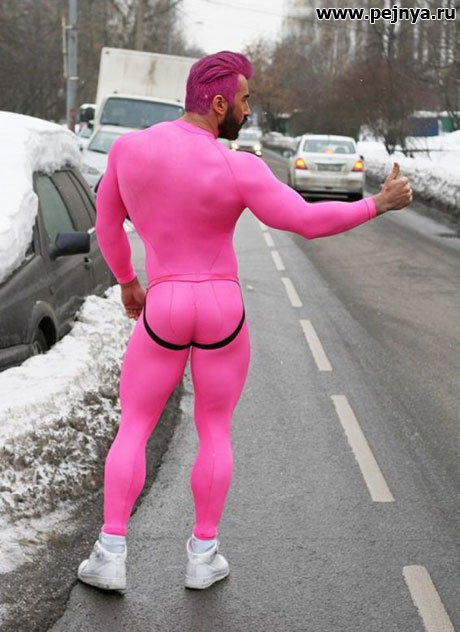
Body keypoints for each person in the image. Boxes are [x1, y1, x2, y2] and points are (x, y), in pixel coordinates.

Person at [77, 51, 412, 593]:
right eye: (244, 100)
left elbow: (108, 223)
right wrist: (378, 204)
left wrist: (128, 282)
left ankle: (111, 553)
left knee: (134, 426)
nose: (248, 111)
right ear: (217, 104)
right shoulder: (238, 166)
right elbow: (305, 220)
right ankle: (202, 555)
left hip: (163, 303)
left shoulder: (129, 151)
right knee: (214, 431)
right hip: (221, 308)